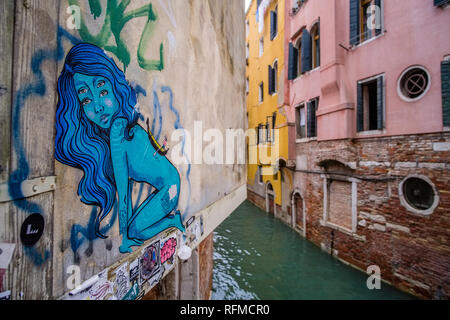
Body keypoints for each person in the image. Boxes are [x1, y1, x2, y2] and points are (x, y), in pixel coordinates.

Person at [55, 43, 185, 253]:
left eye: (103, 89)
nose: (97, 105)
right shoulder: (115, 128)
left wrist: (124, 239)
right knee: (135, 231)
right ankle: (171, 221)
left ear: (115, 87)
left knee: (135, 232)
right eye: (86, 99)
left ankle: (173, 222)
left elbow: (123, 191)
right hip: (168, 186)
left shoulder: (117, 130)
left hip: (169, 189)